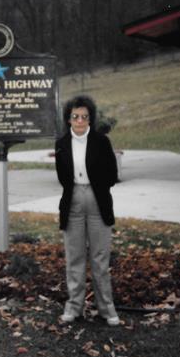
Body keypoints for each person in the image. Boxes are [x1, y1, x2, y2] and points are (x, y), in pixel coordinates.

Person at [54, 95, 120, 326]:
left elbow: (112, 175)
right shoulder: (61, 144)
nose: (80, 121)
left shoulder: (102, 142)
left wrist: (95, 183)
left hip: (97, 199)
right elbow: (63, 178)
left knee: (100, 258)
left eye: (84, 117)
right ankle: (74, 308)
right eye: (75, 117)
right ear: (68, 119)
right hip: (72, 201)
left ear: (90, 119)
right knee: (75, 257)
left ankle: (107, 309)